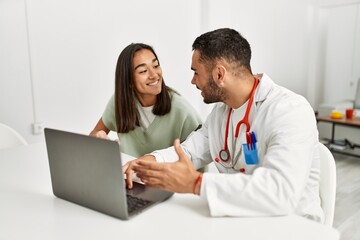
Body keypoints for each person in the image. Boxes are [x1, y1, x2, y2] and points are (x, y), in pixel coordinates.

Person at [124, 28, 324, 222]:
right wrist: (146, 162)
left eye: (196, 72)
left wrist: (196, 183)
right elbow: (190, 152)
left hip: (291, 225)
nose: (193, 81)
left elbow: (280, 192)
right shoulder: (221, 113)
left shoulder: (289, 110)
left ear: (219, 74)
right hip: (241, 218)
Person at [90, 43, 202, 158]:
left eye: (156, 65)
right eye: (143, 71)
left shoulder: (182, 110)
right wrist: (100, 139)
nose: (154, 75)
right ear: (128, 80)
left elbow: (198, 159)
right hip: (126, 174)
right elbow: (93, 135)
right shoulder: (119, 102)